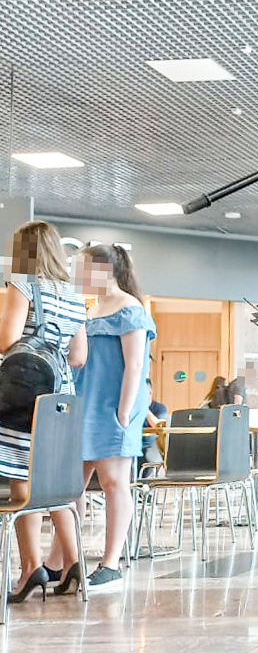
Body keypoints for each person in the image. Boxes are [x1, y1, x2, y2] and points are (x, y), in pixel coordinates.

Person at [46, 244, 156, 594]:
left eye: (81, 268)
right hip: (85, 402)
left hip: (112, 405)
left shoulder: (131, 308)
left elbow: (135, 365)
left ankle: (110, 564)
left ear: (103, 270)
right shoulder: (91, 309)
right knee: (70, 486)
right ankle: (61, 560)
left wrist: (124, 412)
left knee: (113, 482)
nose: (76, 276)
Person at [0, 222, 87, 603]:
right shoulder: (73, 296)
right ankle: (73, 562)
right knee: (55, 483)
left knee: (23, 476)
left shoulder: (22, 285)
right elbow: (79, 356)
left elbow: (7, 339)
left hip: (24, 396)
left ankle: (31, 567)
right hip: (62, 398)